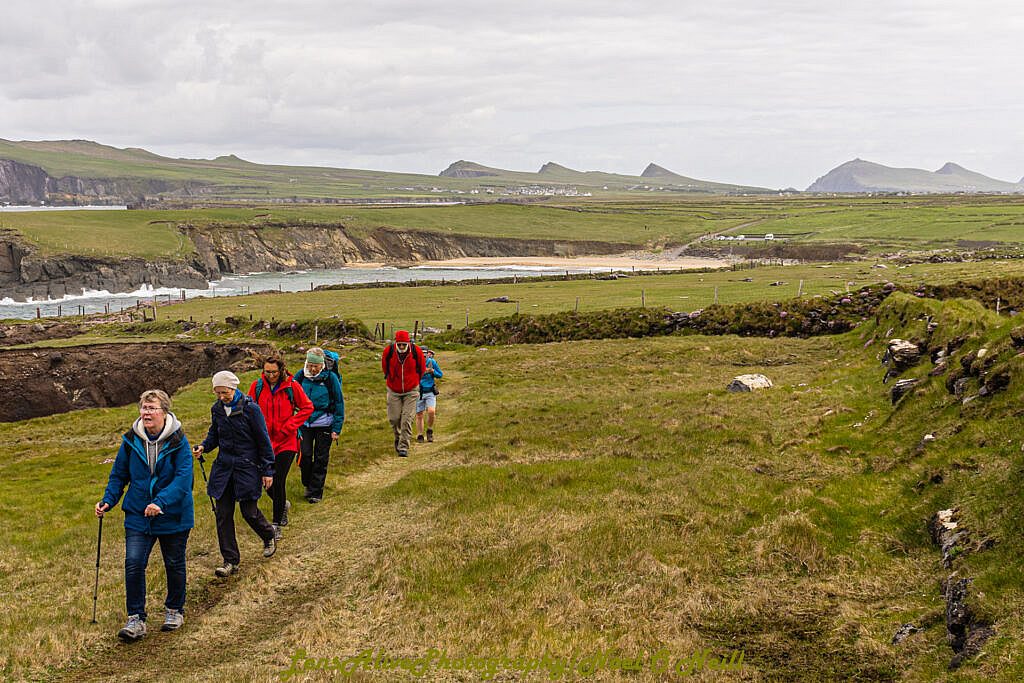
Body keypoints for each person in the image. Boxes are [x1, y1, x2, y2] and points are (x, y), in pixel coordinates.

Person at [95, 389, 194, 642]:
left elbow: (184, 481)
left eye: (152, 408)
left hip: (173, 514)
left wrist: (160, 502)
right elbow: (119, 475)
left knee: (173, 563)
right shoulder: (130, 439)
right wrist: (108, 500)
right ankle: (135, 619)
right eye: (144, 408)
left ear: (165, 412)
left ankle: (174, 610)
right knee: (134, 563)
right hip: (138, 513)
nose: (146, 412)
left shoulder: (179, 440)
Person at [193, 370, 277, 577]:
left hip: (247, 467)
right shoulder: (217, 409)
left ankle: (268, 534)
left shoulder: (251, 409)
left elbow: (263, 441)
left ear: (234, 388)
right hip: (223, 468)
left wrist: (268, 470)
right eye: (218, 393)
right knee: (222, 515)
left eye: (225, 392)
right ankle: (230, 561)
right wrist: (204, 446)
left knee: (249, 512)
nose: (222, 397)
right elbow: (215, 434)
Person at [248, 353, 313, 540]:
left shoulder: (292, 386)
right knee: (265, 481)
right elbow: (249, 408)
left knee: (277, 480)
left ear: (281, 370)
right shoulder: (257, 387)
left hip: (287, 441)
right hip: (264, 442)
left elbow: (307, 407)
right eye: (267, 372)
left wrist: (290, 426)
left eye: (274, 372)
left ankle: (276, 524)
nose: (270, 375)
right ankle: (282, 504)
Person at [293, 348, 344, 503]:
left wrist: (336, 428)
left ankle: (315, 492)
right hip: (304, 423)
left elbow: (339, 402)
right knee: (305, 455)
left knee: (321, 458)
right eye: (310, 365)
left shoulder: (331, 378)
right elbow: (290, 393)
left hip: (325, 423)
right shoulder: (301, 376)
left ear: (322, 365)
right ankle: (308, 483)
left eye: (316, 366)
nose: (312, 369)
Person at [382, 330, 425, 457]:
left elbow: (421, 369)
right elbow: (385, 368)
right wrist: (392, 380)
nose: (401, 347)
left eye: (403, 344)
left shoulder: (416, 352)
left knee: (407, 419)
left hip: (411, 390)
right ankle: (398, 437)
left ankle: (403, 446)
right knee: (394, 419)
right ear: (396, 342)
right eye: (399, 344)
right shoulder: (388, 351)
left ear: (408, 343)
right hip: (393, 390)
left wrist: (415, 382)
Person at [416, 348, 443, 443]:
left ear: (428, 354)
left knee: (431, 411)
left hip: (430, 391)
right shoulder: (414, 362)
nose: (423, 356)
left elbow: (440, 374)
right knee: (419, 415)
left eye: (425, 354)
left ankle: (429, 430)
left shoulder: (432, 362)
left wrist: (432, 371)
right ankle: (420, 435)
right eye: (421, 354)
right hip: (418, 391)